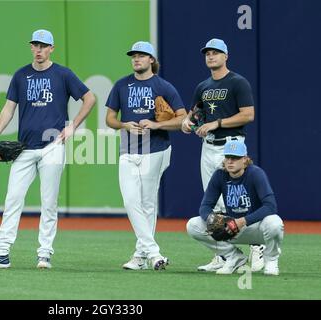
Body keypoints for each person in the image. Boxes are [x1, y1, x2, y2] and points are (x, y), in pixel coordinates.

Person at [0, 29, 95, 269]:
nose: (38, 50)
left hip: (52, 146)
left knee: (48, 202)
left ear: (51, 49)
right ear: (31, 47)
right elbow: (8, 108)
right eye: (35, 45)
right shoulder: (21, 75)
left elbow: (89, 98)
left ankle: (44, 253)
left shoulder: (63, 74)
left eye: (43, 46)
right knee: (13, 199)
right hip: (24, 149)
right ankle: (1, 253)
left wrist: (73, 126)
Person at [181, 38, 264, 272]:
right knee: (214, 202)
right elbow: (194, 115)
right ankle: (223, 254)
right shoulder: (203, 86)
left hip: (232, 146)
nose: (211, 56)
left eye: (216, 52)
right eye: (207, 53)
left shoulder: (238, 82)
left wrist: (216, 123)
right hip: (208, 147)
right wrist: (188, 123)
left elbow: (248, 115)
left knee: (237, 199)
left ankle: (256, 246)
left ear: (226, 56)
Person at [105, 41, 187, 270]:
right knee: (131, 201)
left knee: (148, 203)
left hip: (156, 149)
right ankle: (153, 253)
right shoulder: (122, 85)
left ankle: (141, 257)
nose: (136, 59)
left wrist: (156, 124)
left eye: (141, 55)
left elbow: (183, 118)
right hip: (128, 150)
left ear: (151, 60)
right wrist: (123, 125)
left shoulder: (163, 86)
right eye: (134, 56)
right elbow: (109, 119)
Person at [186, 140, 283, 275]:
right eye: (228, 157)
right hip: (231, 228)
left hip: (255, 228)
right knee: (193, 225)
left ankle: (271, 260)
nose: (230, 161)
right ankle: (233, 257)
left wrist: (243, 221)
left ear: (245, 160)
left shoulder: (255, 174)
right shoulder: (220, 175)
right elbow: (205, 206)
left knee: (275, 222)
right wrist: (213, 219)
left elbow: (270, 206)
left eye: (235, 158)